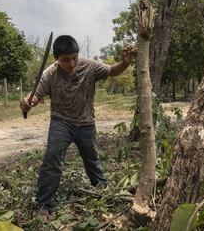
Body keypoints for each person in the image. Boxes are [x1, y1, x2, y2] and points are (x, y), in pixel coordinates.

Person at [20, 35, 134, 218]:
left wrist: (125, 63)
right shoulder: (49, 74)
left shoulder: (90, 66)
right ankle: (43, 205)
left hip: (86, 123)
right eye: (66, 60)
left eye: (75, 57)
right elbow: (36, 95)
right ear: (56, 59)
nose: (72, 63)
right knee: (52, 159)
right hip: (61, 122)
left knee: (92, 160)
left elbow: (112, 71)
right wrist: (28, 102)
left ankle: (104, 193)